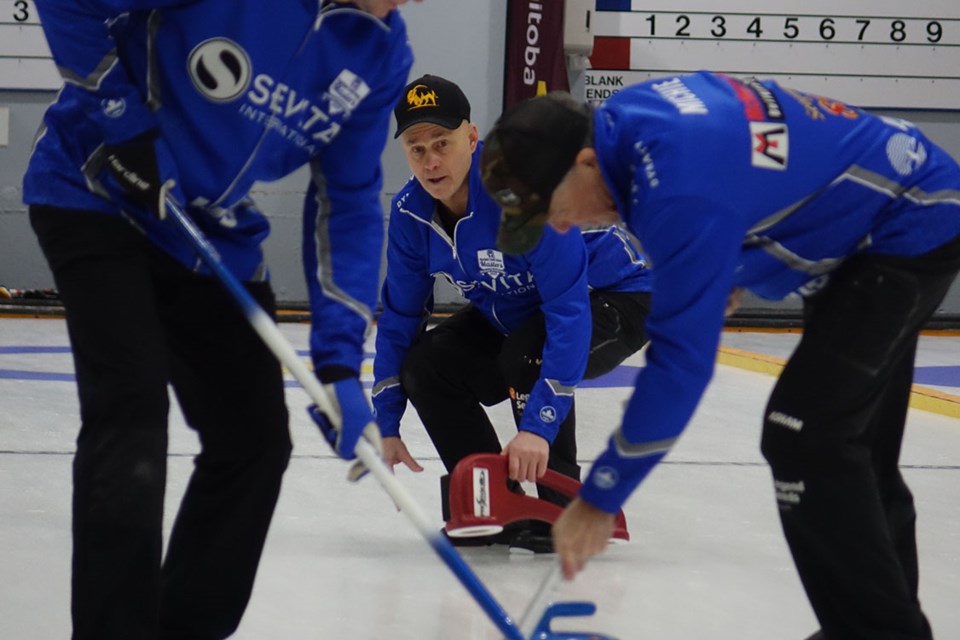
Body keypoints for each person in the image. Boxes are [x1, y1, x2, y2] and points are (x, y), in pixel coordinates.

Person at [479, 73, 960, 639]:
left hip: (906, 224)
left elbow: (680, 368)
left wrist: (601, 496)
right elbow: (747, 165)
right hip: (869, 226)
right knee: (856, 449)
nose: (560, 226)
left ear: (584, 163)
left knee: (804, 435)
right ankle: (874, 626)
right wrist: (724, 264)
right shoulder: (628, 124)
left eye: (551, 209)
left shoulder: (677, 189)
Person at [22, 1, 417, 638]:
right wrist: (124, 123)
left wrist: (341, 360)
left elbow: (346, 203)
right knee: (130, 414)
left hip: (205, 230)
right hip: (97, 189)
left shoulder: (380, 55)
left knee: (254, 441)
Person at [371, 74, 652, 551]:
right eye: (417, 150)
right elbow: (400, 316)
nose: (431, 161)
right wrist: (387, 421)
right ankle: (488, 499)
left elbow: (567, 314)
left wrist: (538, 427)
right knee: (426, 364)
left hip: (618, 296)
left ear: (473, 137)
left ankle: (556, 506)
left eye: (443, 142)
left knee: (528, 352)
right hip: (519, 310)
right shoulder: (410, 214)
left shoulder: (521, 198)